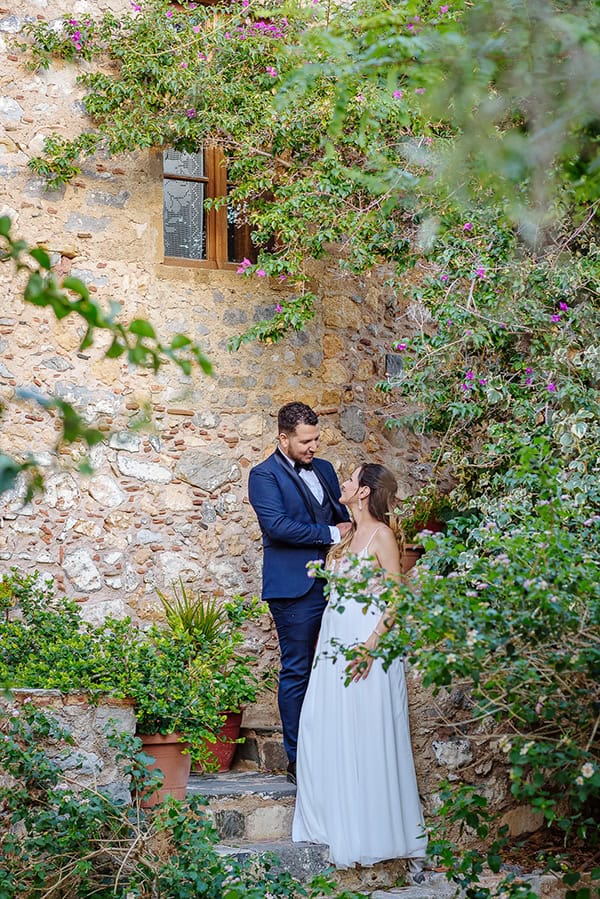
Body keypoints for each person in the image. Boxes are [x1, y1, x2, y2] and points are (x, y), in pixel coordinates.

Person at [292, 463, 428, 872]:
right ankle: (333, 822)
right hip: (333, 646)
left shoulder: (382, 536)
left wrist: (370, 647)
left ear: (365, 492)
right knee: (323, 726)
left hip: (366, 646)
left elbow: (397, 599)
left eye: (350, 480)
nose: (344, 484)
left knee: (364, 734)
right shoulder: (346, 534)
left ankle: (371, 833)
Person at [248, 402, 351, 783]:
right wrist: (330, 535)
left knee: (332, 666)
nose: (313, 448)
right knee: (297, 670)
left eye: (316, 440)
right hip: (292, 589)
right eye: (305, 441)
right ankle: (297, 758)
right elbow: (276, 526)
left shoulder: (323, 469)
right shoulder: (263, 475)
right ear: (283, 438)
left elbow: (342, 518)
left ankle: (330, 746)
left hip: (335, 584)